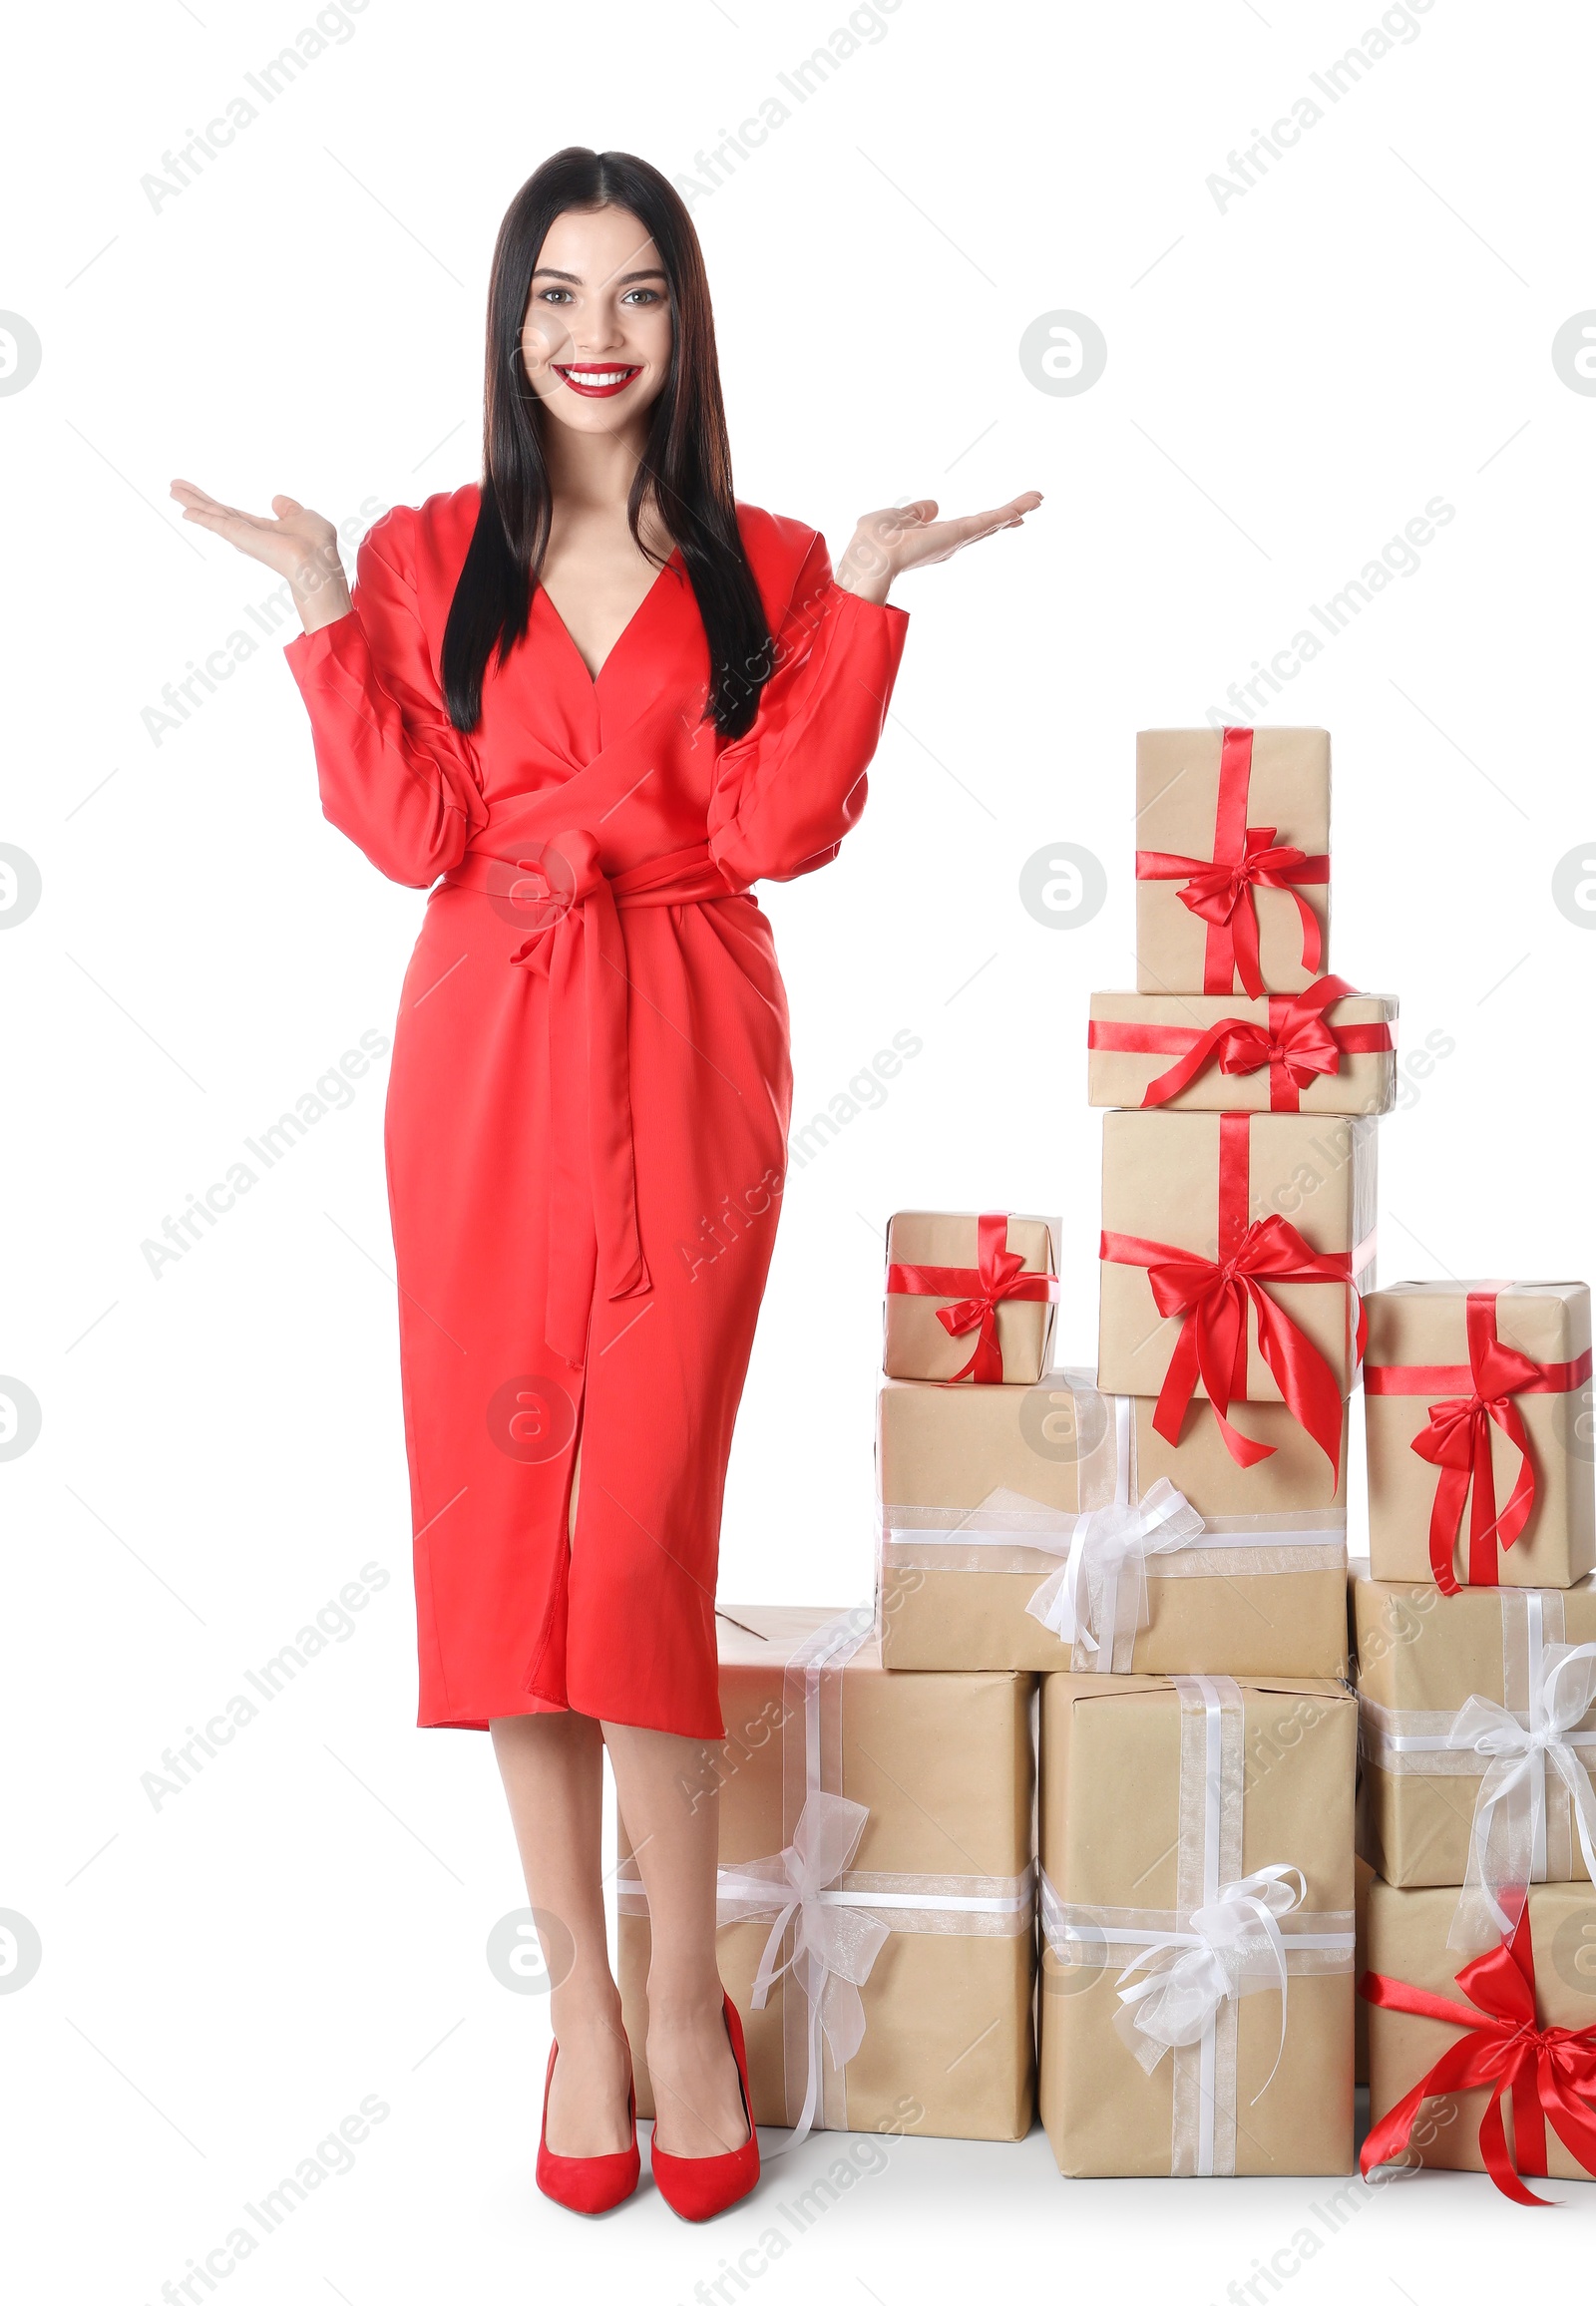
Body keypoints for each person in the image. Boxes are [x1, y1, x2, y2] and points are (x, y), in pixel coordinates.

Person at [172, 145, 1039, 2222]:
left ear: (684, 322)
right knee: (507, 1540)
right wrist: (312, 618)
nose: (592, 334)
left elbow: (779, 824)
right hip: (480, 1049)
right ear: (507, 322)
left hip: (684, 1037)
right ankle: (573, 1993)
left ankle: (681, 1987)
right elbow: (405, 833)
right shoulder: (418, 553)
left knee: (636, 1527)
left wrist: (878, 599)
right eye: (556, 295)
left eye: (635, 293)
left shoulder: (764, 560)